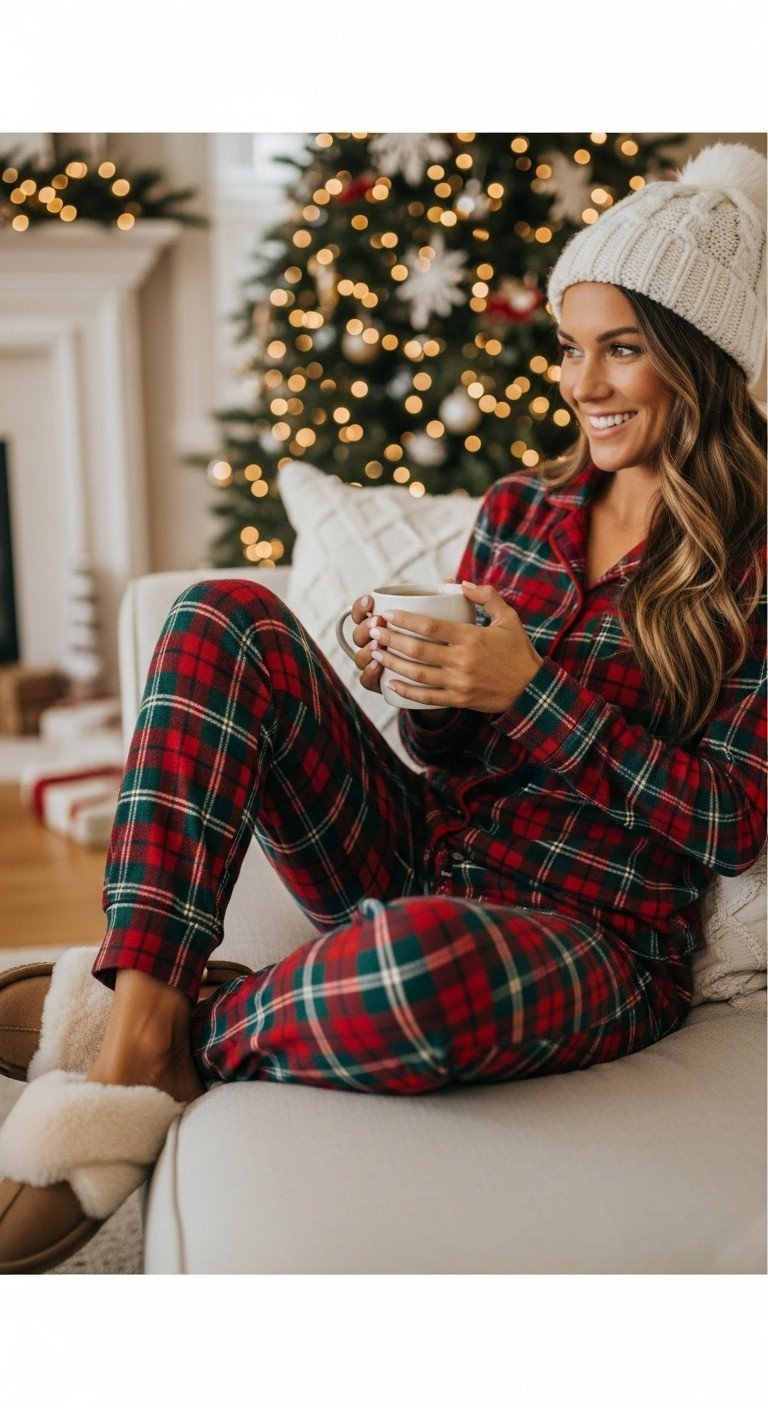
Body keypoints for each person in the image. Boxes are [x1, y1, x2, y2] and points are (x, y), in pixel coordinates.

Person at [0, 141, 765, 1272]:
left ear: (701, 363)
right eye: (569, 346)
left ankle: (159, 1023)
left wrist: (530, 691)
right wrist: (425, 680)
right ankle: (141, 1041)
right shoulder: (527, 508)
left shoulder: (753, 565)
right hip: (425, 850)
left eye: (622, 351)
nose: (581, 384)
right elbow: (442, 760)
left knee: (416, 966)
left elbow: (735, 821)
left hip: (594, 941)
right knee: (219, 616)